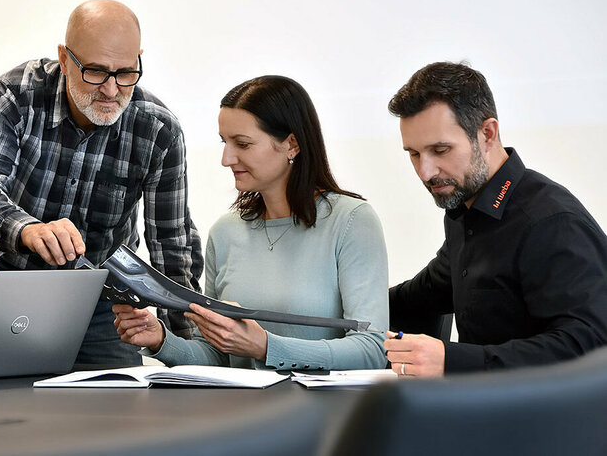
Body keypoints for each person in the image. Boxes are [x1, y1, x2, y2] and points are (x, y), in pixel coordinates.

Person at [0, 0, 202, 365]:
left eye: (126, 72)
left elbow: (171, 243)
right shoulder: (17, 94)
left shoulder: (158, 130)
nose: (111, 89)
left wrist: (189, 354)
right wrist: (28, 230)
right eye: (95, 71)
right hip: (10, 285)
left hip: (103, 304)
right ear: (64, 58)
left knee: (118, 399)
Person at [113, 76, 389, 371]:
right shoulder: (225, 232)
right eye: (225, 142)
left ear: (292, 145)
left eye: (242, 144)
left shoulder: (352, 221)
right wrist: (160, 340)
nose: (226, 159)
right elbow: (217, 357)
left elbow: (372, 349)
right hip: (242, 400)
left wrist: (265, 347)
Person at [384, 62, 607, 377]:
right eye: (414, 154)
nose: (425, 172)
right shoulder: (465, 212)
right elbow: (423, 294)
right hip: (486, 404)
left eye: (441, 150)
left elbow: (589, 347)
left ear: (487, 134)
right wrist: (352, 301)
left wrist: (451, 361)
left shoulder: (552, 222)